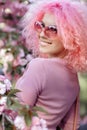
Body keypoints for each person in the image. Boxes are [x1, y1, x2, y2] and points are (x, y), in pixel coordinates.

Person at [16, 0, 87, 130]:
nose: (42, 34)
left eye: (52, 29)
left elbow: (14, 116)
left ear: (69, 36)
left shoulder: (39, 67)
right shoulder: (73, 78)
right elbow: (71, 126)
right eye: (39, 25)